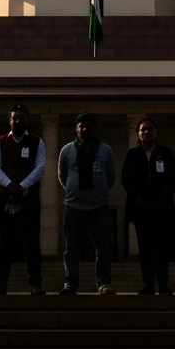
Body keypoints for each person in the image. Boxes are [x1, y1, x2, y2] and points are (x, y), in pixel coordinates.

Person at [0, 104, 46, 295]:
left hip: (28, 198)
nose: (18, 121)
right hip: (5, 198)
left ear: (27, 121)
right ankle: (0, 283)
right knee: (4, 242)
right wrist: (10, 185)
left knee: (31, 241)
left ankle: (35, 284)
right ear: (9, 120)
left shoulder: (37, 142)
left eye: (22, 117)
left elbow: (40, 168)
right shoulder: (0, 141)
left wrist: (21, 186)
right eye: (15, 118)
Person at [58, 112, 117, 295]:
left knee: (103, 249)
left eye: (89, 125)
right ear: (76, 128)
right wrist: (74, 190)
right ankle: (70, 283)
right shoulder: (67, 150)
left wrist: (97, 192)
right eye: (81, 125)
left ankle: (104, 283)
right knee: (71, 249)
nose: (85, 128)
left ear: (95, 128)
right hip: (74, 206)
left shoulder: (105, 150)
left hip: (98, 207)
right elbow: (62, 176)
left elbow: (111, 176)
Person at [121, 116, 175, 295]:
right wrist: (138, 200)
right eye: (143, 129)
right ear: (138, 133)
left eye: (150, 128)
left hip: (161, 209)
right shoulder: (132, 154)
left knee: (161, 249)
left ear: (156, 132)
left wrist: (160, 201)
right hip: (140, 210)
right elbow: (126, 179)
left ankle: (163, 285)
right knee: (145, 250)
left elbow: (173, 179)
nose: (147, 132)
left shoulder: (165, 153)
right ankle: (148, 285)